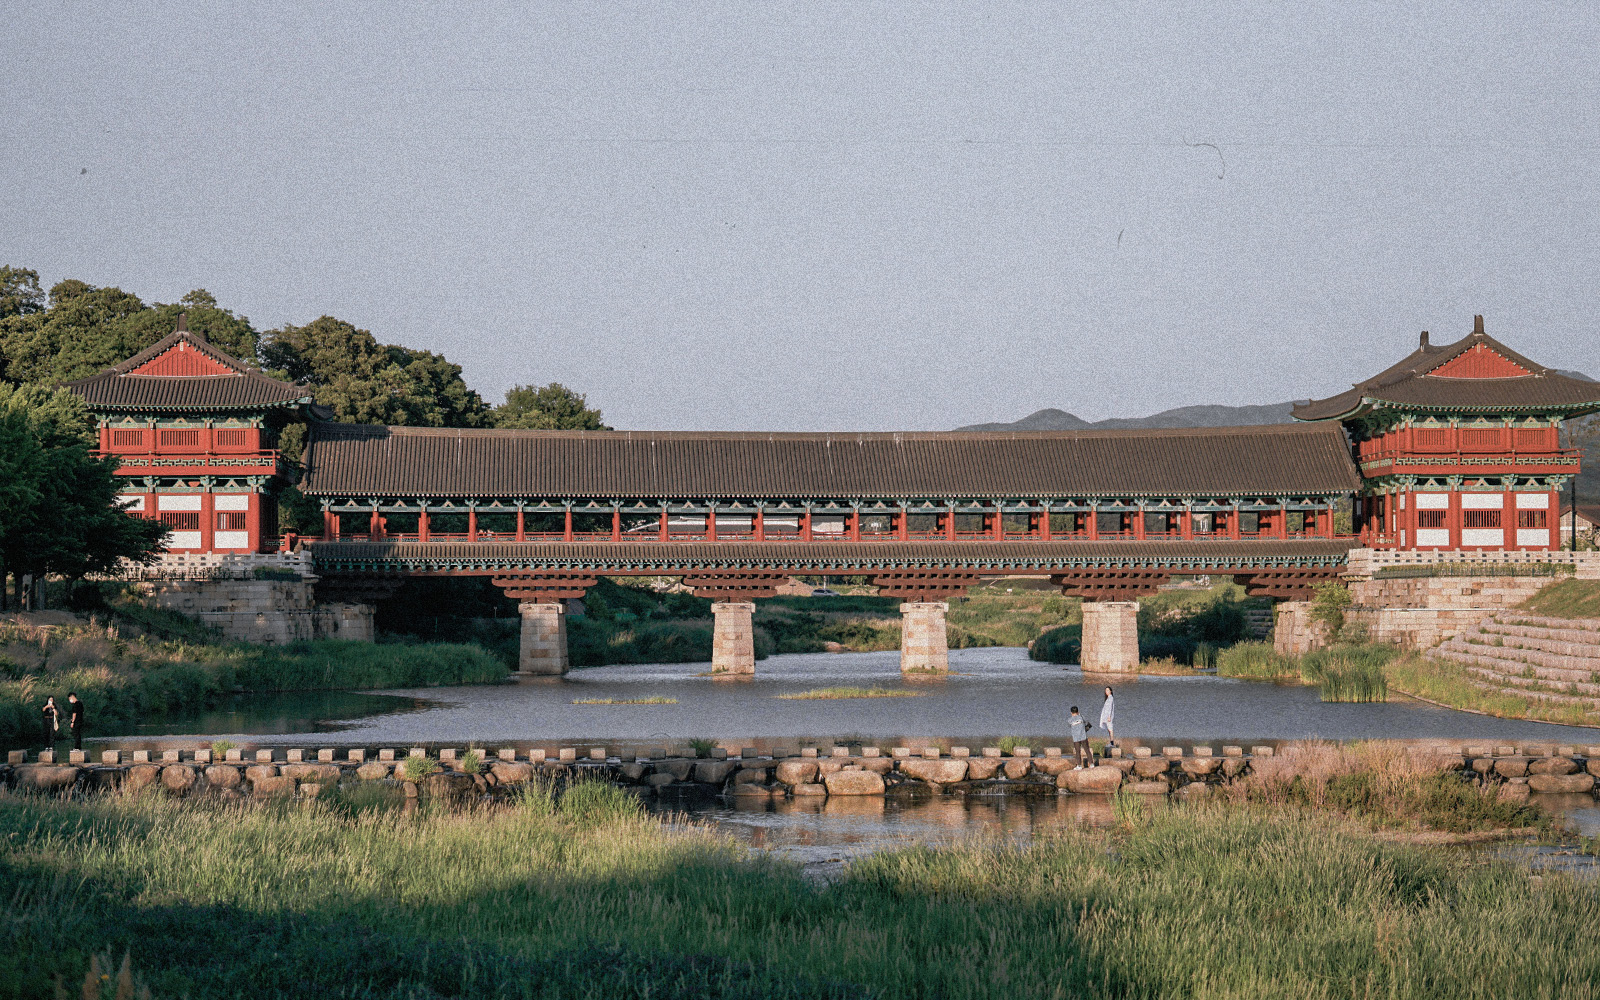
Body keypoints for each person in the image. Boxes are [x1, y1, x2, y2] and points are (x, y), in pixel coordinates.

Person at [1069, 705, 1092, 770]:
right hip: (1083, 737)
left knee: (1077, 752)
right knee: (1087, 750)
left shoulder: (1069, 720)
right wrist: (1079, 715)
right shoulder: (1081, 717)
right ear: (1078, 711)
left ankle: (1079, 765)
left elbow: (1069, 725)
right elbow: (1087, 722)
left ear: (1071, 712)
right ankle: (1091, 764)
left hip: (1076, 739)